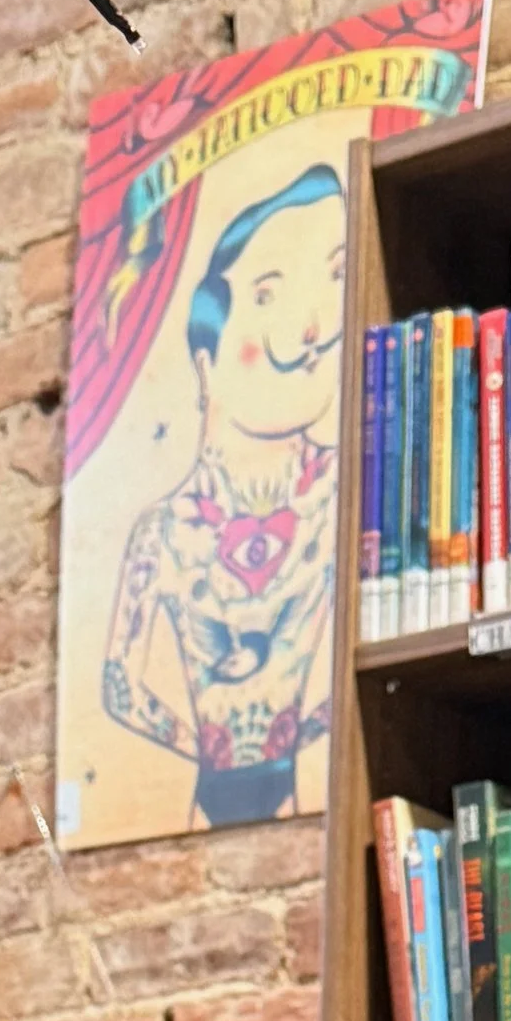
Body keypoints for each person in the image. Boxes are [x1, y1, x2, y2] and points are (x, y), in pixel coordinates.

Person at [101, 164, 348, 830]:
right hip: (211, 797)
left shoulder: (345, 488)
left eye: (334, 277)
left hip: (282, 781)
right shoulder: (160, 530)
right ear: (205, 361)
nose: (311, 330)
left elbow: (122, 689)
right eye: (267, 296)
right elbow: (117, 686)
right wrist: (204, 752)